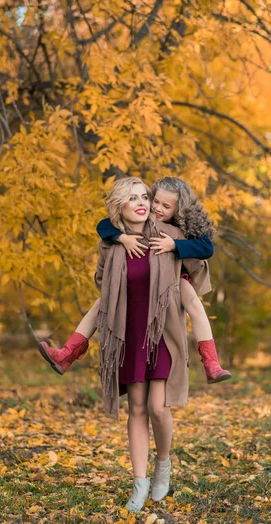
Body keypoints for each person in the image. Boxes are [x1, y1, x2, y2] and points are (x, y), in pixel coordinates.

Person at [38, 177, 231, 384]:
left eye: (166, 206)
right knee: (101, 304)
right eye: (155, 201)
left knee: (195, 304)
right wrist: (122, 238)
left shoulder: (183, 225)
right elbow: (104, 225)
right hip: (146, 278)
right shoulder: (143, 216)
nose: (157, 208)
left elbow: (207, 248)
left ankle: (211, 363)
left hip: (173, 278)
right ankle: (67, 354)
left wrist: (175, 245)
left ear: (179, 209)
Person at [95, 177, 211, 511]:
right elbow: (101, 280)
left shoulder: (168, 235)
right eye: (134, 198)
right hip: (129, 332)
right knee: (137, 408)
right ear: (122, 206)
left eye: (146, 196)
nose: (145, 203)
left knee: (159, 409)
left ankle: (163, 465)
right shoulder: (113, 242)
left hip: (161, 331)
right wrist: (119, 239)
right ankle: (139, 482)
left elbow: (202, 254)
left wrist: (177, 252)